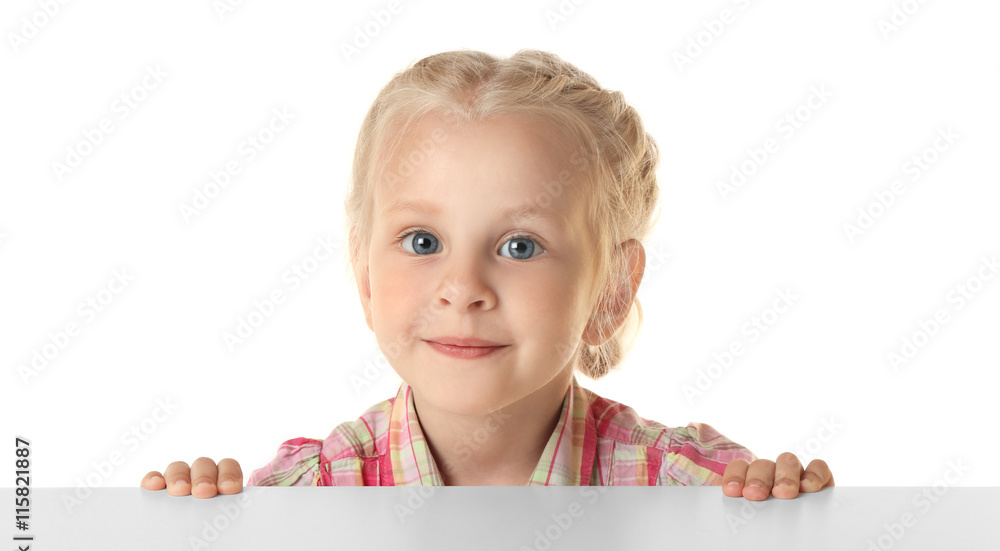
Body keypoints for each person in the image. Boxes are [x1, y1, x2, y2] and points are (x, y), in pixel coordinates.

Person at [140, 49, 834, 500]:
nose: (463, 286)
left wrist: (786, 515)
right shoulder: (301, 500)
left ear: (611, 291)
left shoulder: (688, 494)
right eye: (422, 240)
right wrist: (197, 542)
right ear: (365, 276)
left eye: (521, 246)